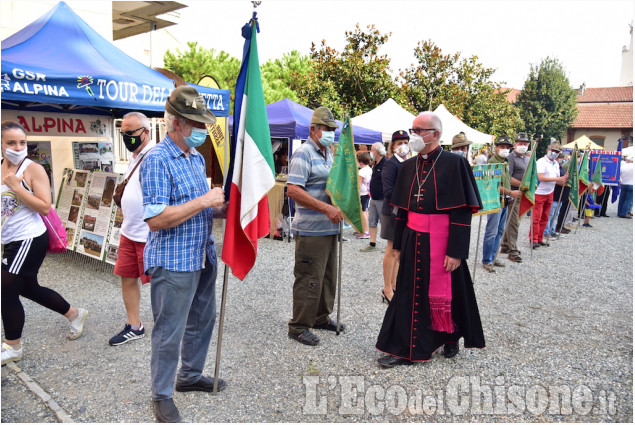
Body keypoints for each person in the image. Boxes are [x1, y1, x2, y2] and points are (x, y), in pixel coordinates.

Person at [140, 86, 227, 423]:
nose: (203, 130)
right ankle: (161, 395)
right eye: (196, 124)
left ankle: (190, 376)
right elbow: (157, 219)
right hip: (174, 260)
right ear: (175, 123)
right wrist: (205, 200)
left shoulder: (195, 157)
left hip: (201, 254)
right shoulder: (158, 159)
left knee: (203, 320)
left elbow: (198, 210)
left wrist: (222, 209)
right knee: (169, 330)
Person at [375, 111, 485, 367]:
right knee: (409, 293)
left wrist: (456, 251)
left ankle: (449, 337)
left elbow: (461, 211)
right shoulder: (407, 167)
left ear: (436, 134)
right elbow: (403, 210)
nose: (413, 136)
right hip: (414, 238)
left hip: (443, 240)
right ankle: (406, 348)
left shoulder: (455, 163)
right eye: (412, 130)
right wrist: (400, 244)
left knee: (450, 292)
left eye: (419, 130)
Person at [1, 120, 88, 365]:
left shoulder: (32, 169)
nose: (17, 147)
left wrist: (17, 188)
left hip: (29, 238)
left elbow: (44, 206)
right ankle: (75, 314)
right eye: (11, 143)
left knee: (5, 290)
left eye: (22, 142)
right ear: (1, 144)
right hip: (10, 239)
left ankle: (13, 346)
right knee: (28, 288)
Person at [287, 106, 345, 347]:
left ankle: (321, 317)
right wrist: (327, 209)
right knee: (309, 277)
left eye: (333, 129)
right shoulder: (304, 153)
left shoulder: (327, 153)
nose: (331, 132)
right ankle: (299, 326)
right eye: (327, 128)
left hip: (329, 228)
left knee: (327, 277)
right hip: (312, 229)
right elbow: (293, 190)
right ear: (313, 129)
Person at [109, 112, 154, 346]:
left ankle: (170, 326)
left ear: (146, 132)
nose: (126, 137)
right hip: (129, 231)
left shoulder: (155, 155)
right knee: (127, 277)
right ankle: (134, 325)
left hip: (150, 234)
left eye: (130, 133)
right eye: (123, 133)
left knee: (160, 283)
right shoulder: (135, 156)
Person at [481, 135, 521, 272]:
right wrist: (511, 193)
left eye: (507, 147)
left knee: (499, 231)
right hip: (494, 201)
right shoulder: (493, 162)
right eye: (502, 147)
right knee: (491, 231)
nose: (504, 149)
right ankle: (487, 260)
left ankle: (493, 257)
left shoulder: (505, 162)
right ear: (496, 147)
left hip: (504, 201)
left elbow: (508, 180)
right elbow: (491, 185)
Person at [380, 130, 410, 303]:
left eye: (405, 141)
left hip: (404, 212)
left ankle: (395, 284)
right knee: (391, 250)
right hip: (393, 212)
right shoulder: (391, 164)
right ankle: (386, 288)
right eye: (399, 143)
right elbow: (388, 192)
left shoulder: (409, 161)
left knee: (399, 250)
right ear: (392, 146)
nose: (403, 146)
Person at [499, 133, 530, 263]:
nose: (522, 146)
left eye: (525, 144)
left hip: (522, 194)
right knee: (513, 222)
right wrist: (523, 185)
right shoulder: (510, 158)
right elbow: (508, 177)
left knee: (514, 220)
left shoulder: (527, 159)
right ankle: (513, 249)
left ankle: (505, 245)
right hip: (512, 193)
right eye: (520, 143)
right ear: (515, 144)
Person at [531, 141, 568, 249]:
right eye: (553, 150)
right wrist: (559, 179)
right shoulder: (541, 162)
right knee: (536, 218)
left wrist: (565, 180)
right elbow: (540, 177)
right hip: (539, 192)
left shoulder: (556, 164)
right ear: (548, 150)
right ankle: (533, 239)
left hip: (550, 192)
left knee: (545, 217)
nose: (554, 153)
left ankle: (540, 238)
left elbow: (557, 180)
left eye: (557, 151)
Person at [360, 142, 386, 252]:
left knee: (385, 222)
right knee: (372, 221)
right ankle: (372, 243)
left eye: (372, 150)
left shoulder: (386, 163)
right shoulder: (375, 163)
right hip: (373, 197)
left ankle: (389, 245)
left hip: (382, 198)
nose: (370, 152)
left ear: (376, 152)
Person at [357, 151, 372, 239]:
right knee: (365, 211)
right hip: (368, 192)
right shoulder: (370, 169)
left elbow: (358, 184)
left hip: (362, 193)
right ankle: (363, 230)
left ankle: (365, 231)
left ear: (360, 161)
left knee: (363, 213)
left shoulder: (361, 171)